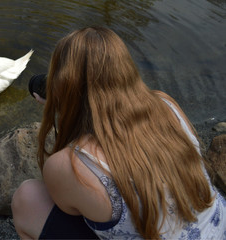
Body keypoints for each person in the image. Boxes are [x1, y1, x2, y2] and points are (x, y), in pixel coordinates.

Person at [11, 26, 226, 239]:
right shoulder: (166, 104)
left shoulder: (70, 165)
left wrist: (64, 108)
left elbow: (69, 209)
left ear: (62, 85)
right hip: (218, 229)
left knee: (27, 198)